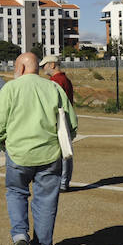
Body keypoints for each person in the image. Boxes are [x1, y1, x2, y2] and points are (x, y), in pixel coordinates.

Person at [0, 52, 77, 245]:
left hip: (18, 153)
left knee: (16, 192)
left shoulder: (10, 88)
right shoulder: (54, 88)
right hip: (49, 155)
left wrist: (3, 144)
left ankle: (20, 235)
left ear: (19, 68)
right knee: (46, 201)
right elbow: (71, 124)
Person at [40, 55, 75, 191]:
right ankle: (63, 181)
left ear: (52, 65)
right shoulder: (65, 79)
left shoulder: (55, 81)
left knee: (61, 150)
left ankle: (62, 182)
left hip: (58, 118)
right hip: (65, 116)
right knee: (65, 148)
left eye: (45, 65)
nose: (43, 68)